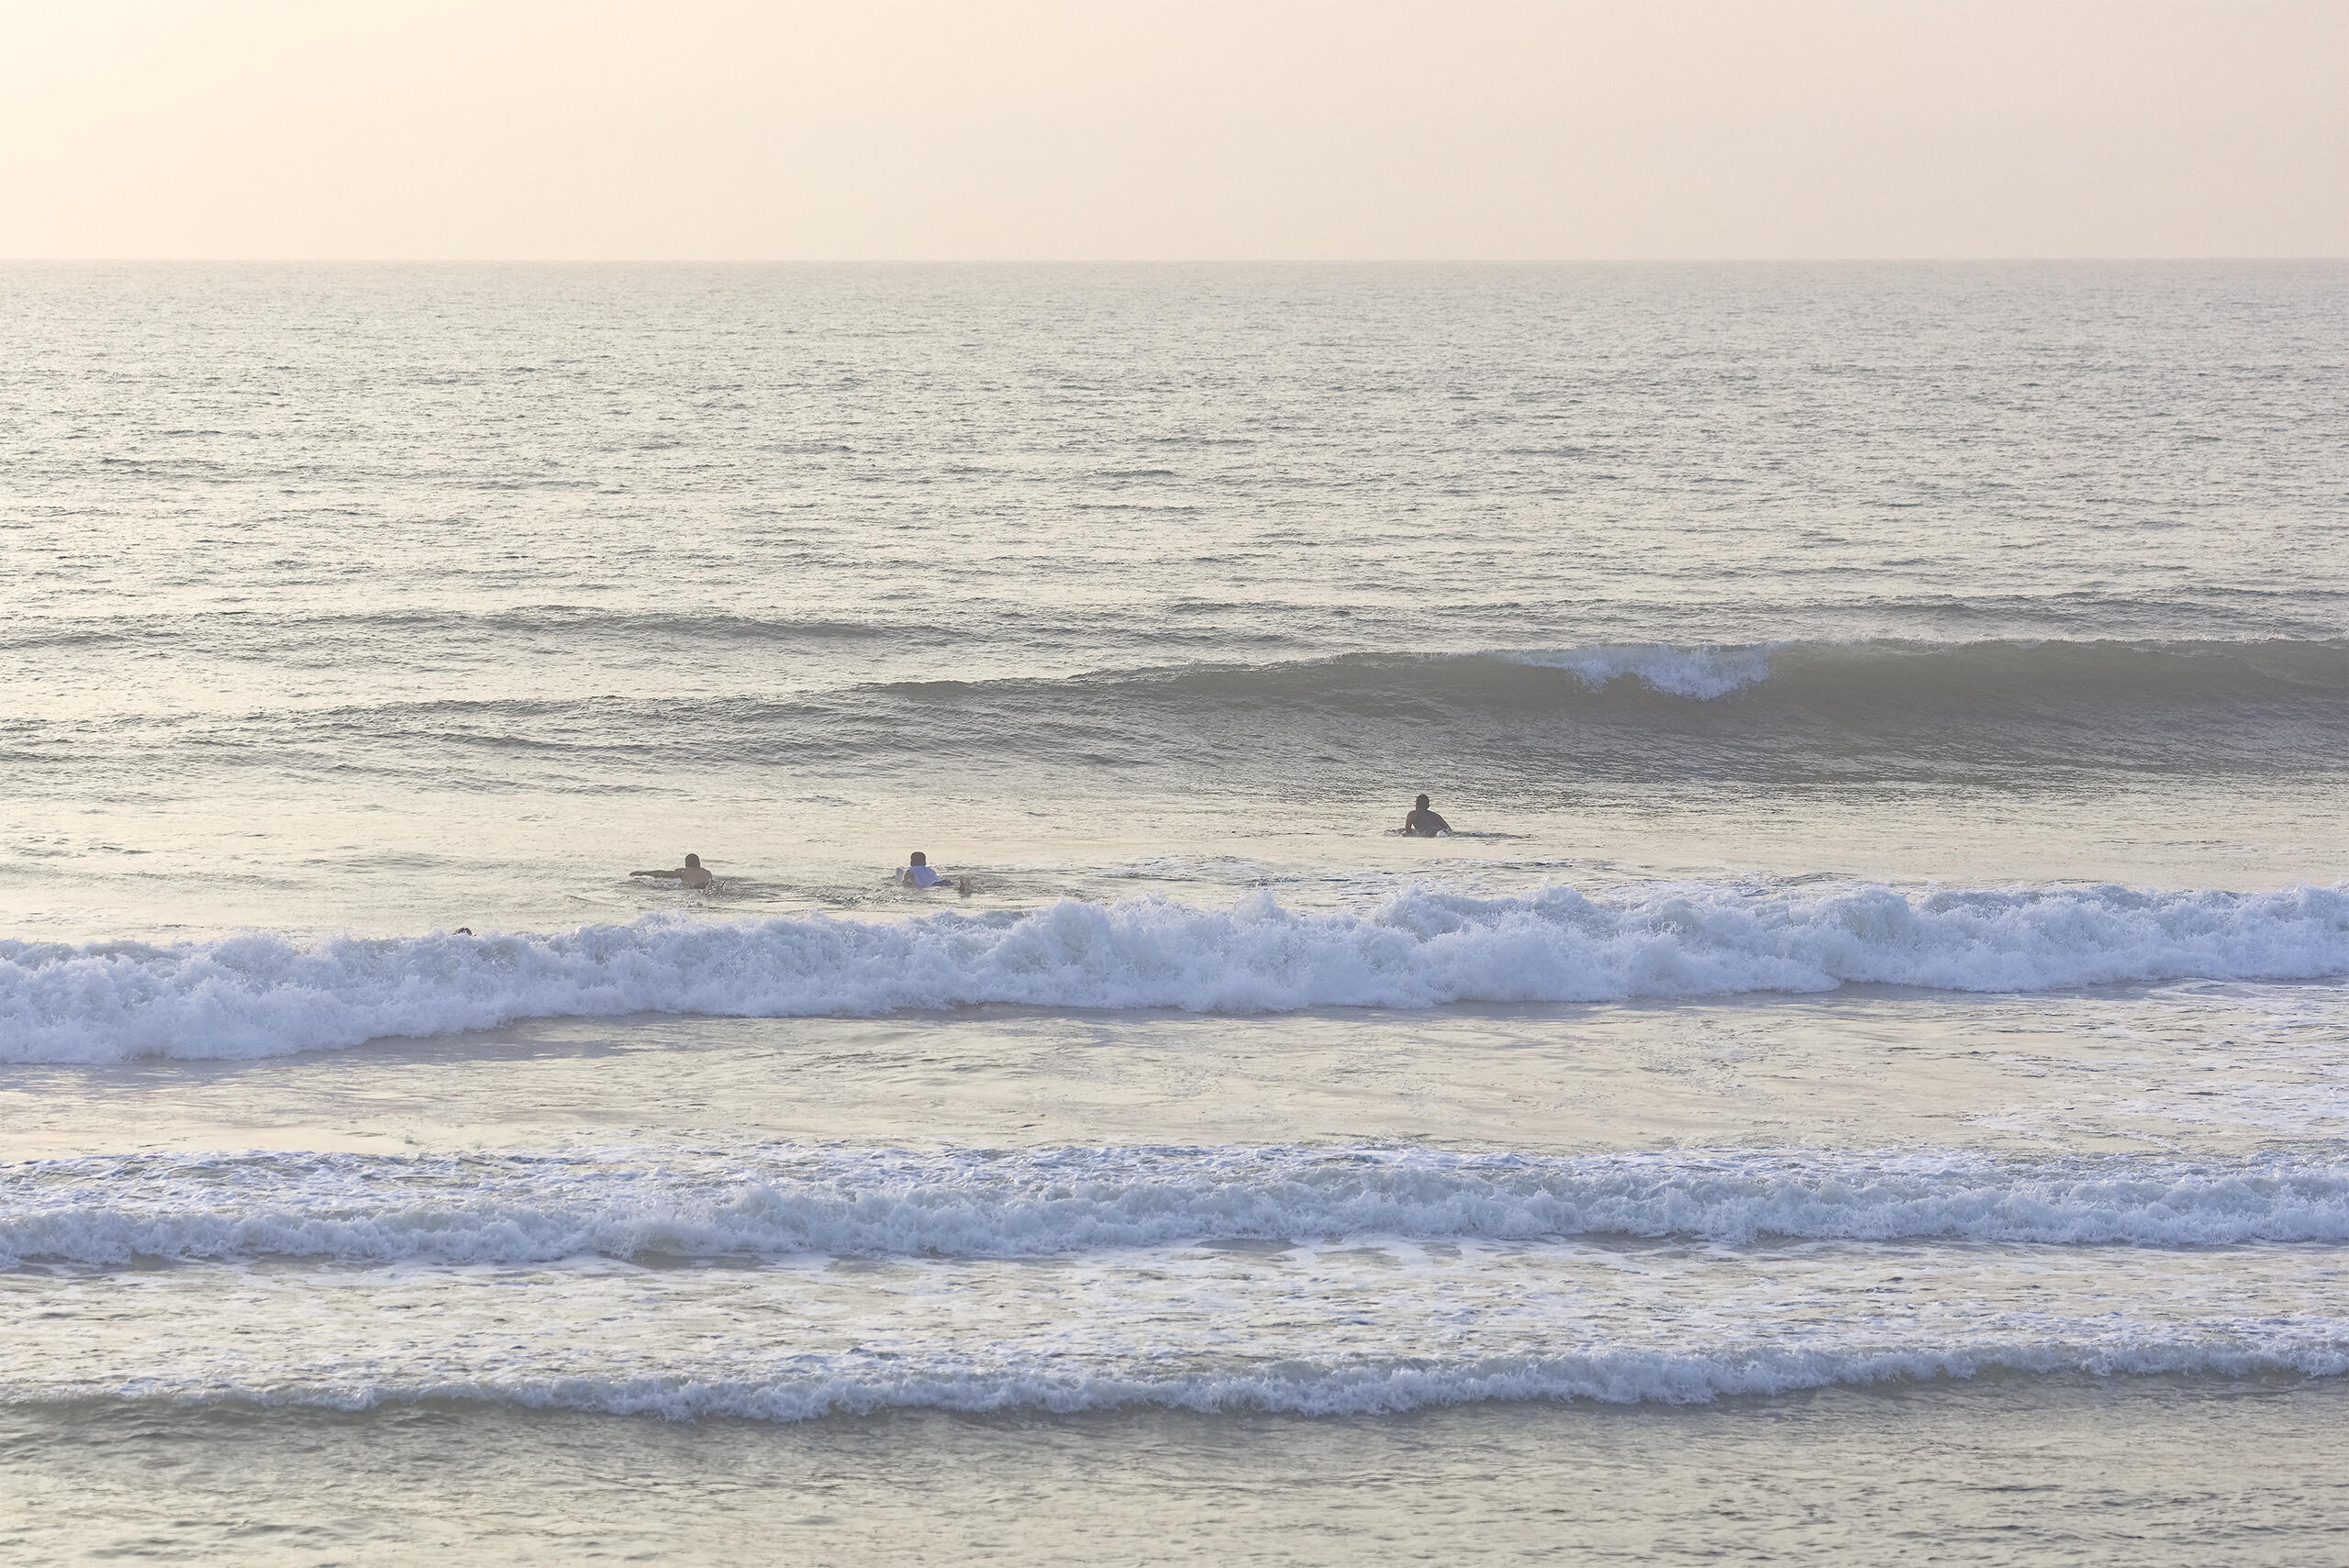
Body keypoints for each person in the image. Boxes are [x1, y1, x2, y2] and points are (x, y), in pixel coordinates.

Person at [899, 851, 972, 894]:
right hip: (941, 881)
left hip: (931, 885)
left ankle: (963, 886)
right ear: (924, 863)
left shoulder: (910, 870)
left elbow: (906, 880)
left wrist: (908, 887)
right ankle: (963, 883)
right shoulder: (930, 870)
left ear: (911, 862)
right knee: (952, 887)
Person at [632, 853, 714, 889]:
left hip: (694, 888)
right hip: (707, 887)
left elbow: (663, 873)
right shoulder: (707, 872)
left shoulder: (683, 872)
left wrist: (643, 873)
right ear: (699, 863)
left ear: (686, 865)